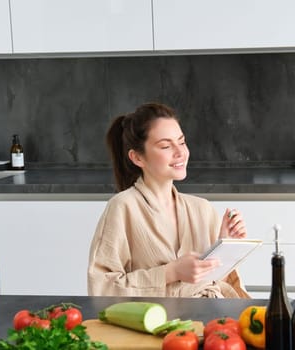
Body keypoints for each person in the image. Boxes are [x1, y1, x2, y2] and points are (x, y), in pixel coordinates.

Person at [87, 102, 250, 298]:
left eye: (181, 142)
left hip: (210, 321)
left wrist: (224, 248)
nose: (180, 152)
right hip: (155, 325)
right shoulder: (123, 207)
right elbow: (101, 287)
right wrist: (170, 273)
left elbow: (220, 285)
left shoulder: (202, 209)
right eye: (165, 145)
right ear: (138, 158)